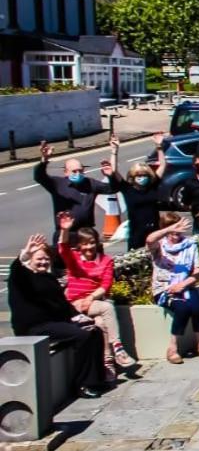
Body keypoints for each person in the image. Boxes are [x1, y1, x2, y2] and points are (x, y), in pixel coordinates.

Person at [8, 234, 106, 398]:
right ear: (30, 260)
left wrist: (78, 317)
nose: (43, 262)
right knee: (83, 335)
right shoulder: (22, 277)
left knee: (94, 331)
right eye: (39, 259)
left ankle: (96, 380)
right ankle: (82, 385)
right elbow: (16, 271)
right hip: (34, 327)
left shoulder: (47, 277)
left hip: (54, 323)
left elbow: (62, 304)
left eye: (46, 259)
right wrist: (24, 255)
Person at [56, 212, 133, 381]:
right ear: (79, 246)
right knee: (107, 308)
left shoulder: (106, 261)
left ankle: (108, 364)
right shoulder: (74, 258)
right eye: (84, 244)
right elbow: (62, 247)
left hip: (93, 301)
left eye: (91, 243)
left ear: (97, 243)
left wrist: (90, 298)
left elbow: (105, 285)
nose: (88, 247)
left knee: (100, 323)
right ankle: (118, 348)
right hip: (74, 304)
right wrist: (65, 230)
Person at [146, 213, 199, 365]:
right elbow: (150, 239)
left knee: (198, 307)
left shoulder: (190, 244)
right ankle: (172, 348)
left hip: (185, 285)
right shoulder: (160, 246)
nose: (176, 234)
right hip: (165, 289)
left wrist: (183, 284)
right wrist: (169, 228)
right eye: (172, 231)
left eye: (178, 230)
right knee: (182, 308)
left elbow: (198, 270)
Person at [33, 139, 114, 237]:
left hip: (86, 234)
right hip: (65, 234)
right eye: (74, 171)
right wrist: (44, 160)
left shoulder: (90, 183)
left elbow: (112, 188)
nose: (78, 174)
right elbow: (39, 176)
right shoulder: (58, 184)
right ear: (66, 172)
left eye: (80, 171)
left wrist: (111, 175)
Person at [107, 133, 169, 250]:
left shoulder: (152, 185)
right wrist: (114, 151)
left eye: (144, 175)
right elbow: (114, 171)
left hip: (154, 231)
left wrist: (159, 147)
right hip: (136, 234)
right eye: (138, 176)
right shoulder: (127, 189)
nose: (142, 178)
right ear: (132, 177)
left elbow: (163, 166)